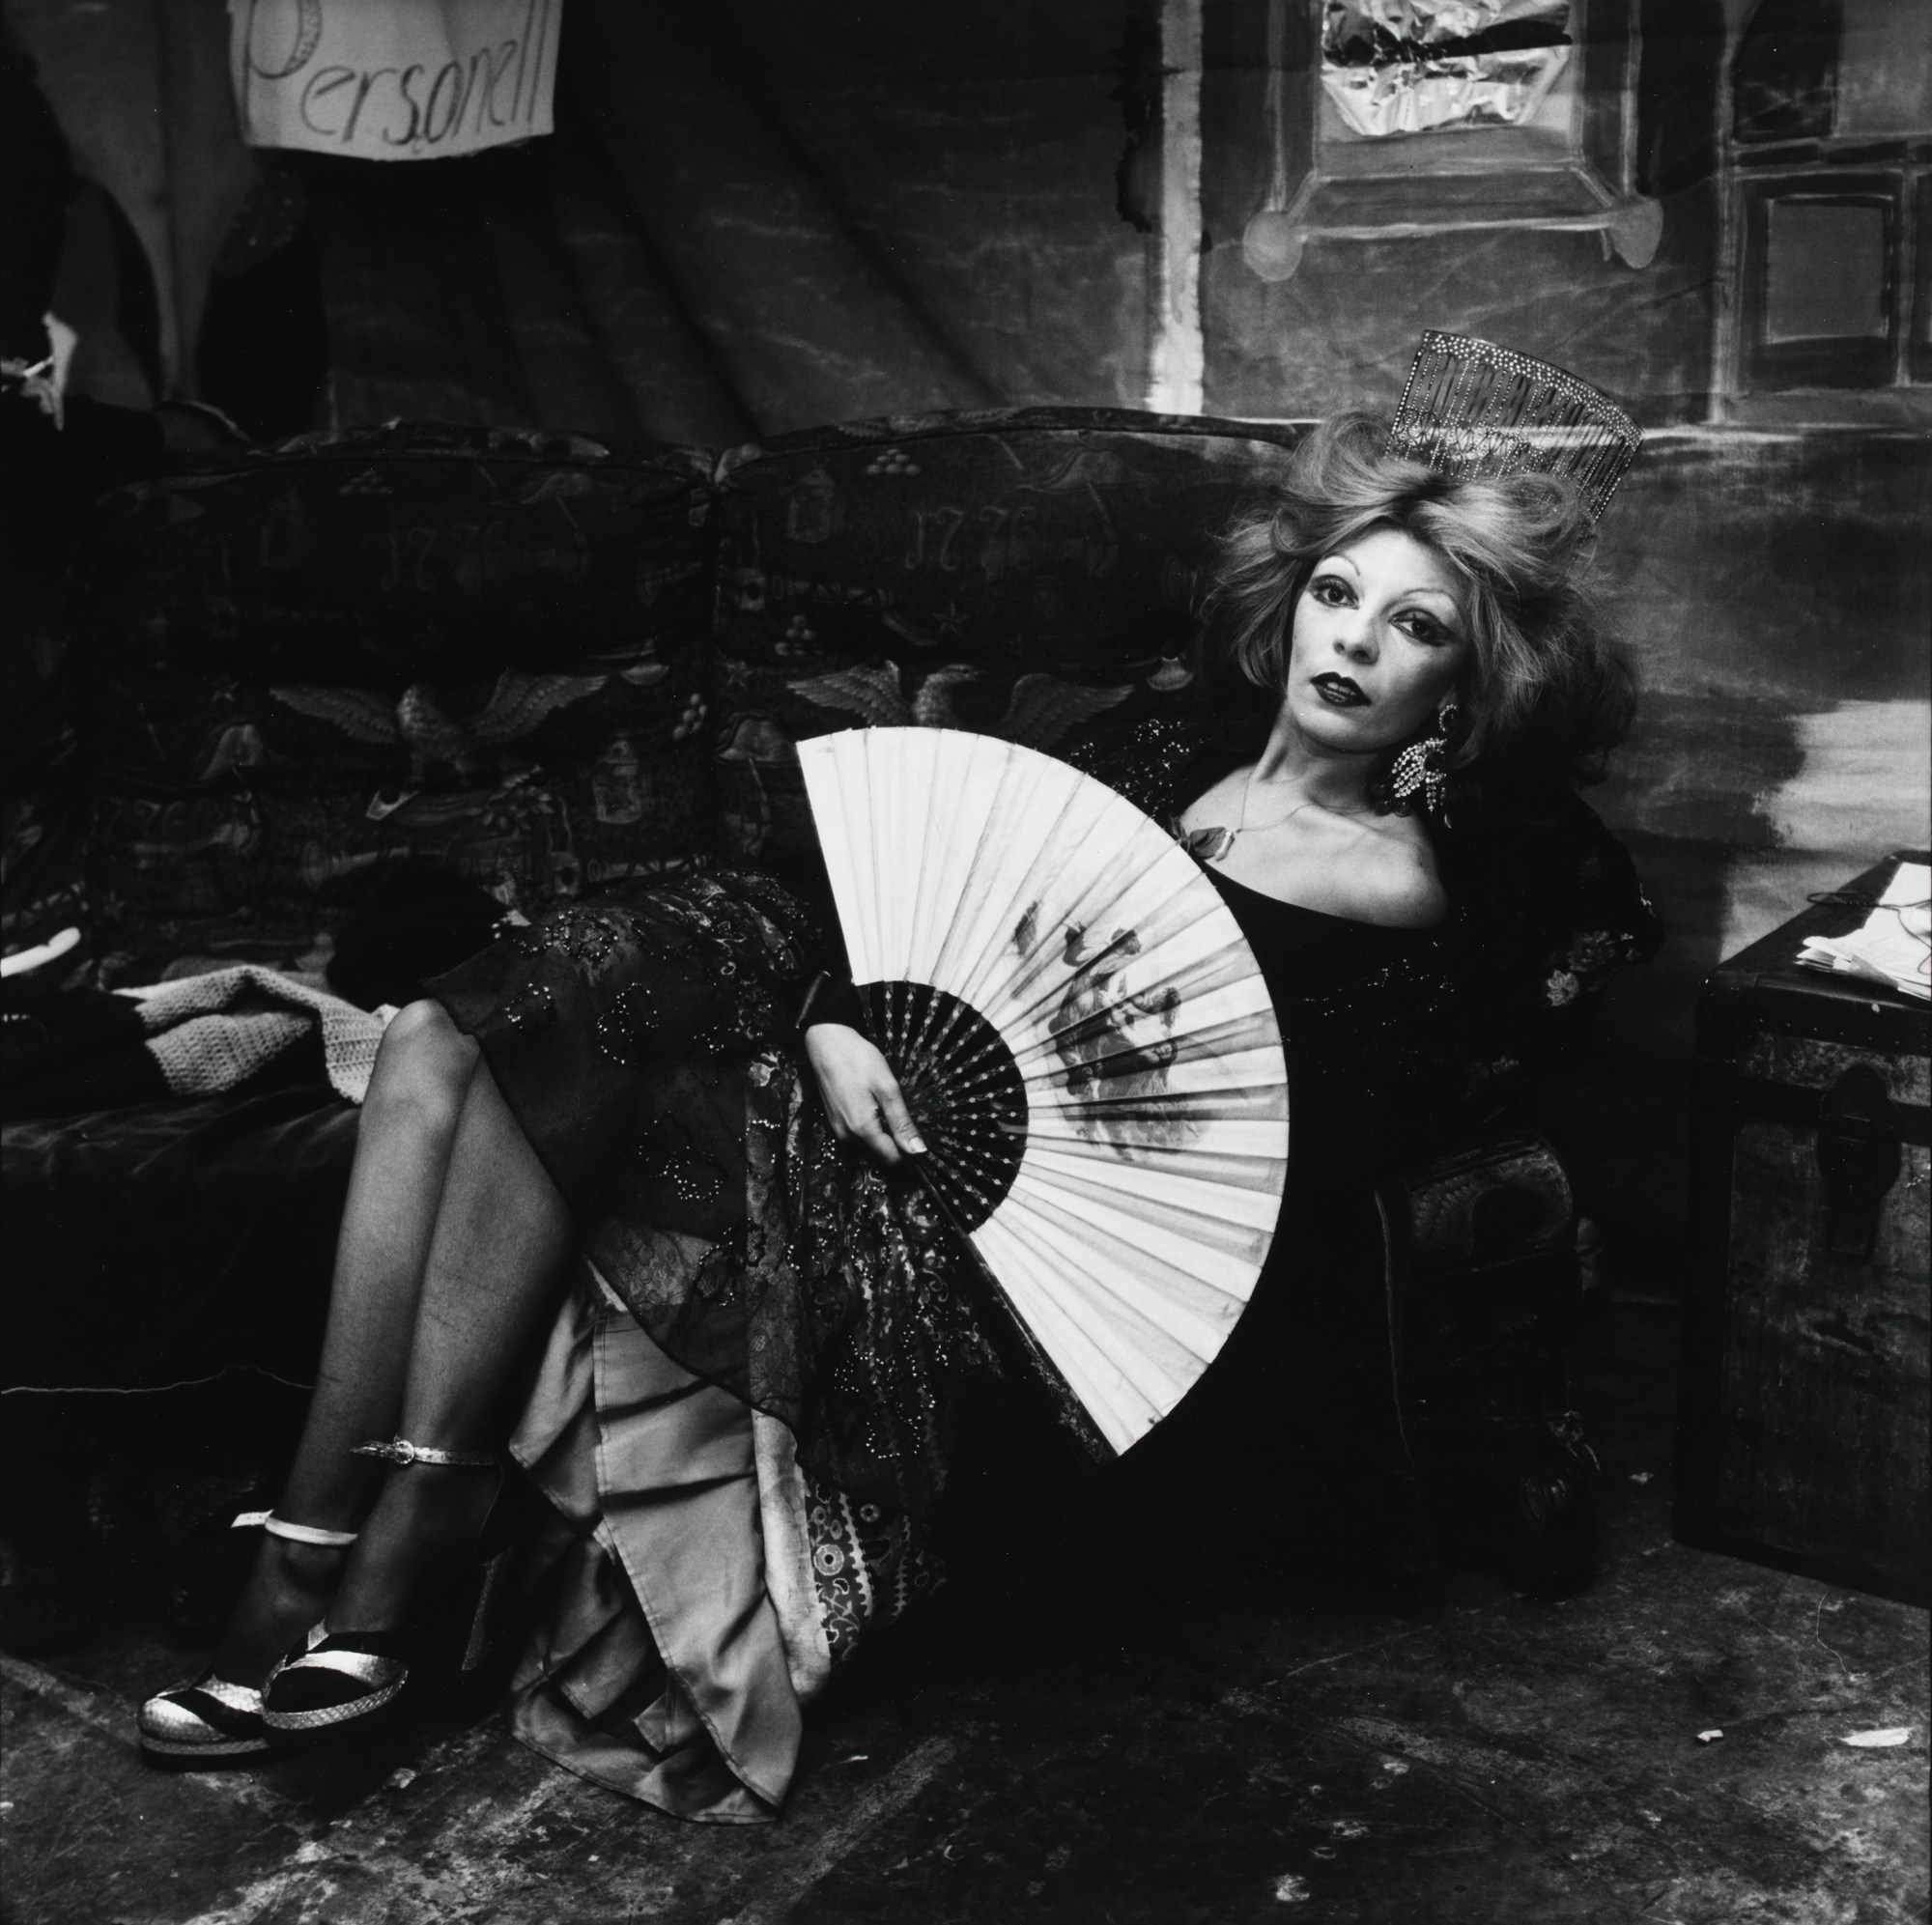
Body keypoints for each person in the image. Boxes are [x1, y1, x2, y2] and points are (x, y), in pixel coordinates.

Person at [139, 344, 1662, 1818]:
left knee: (541, 1055)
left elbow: (1215, 1159)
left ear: (1467, 682)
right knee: (436, 1033)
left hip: (958, 1243)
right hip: (845, 1071)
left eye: (1417, 627)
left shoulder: (1395, 888)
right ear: (1292, 592)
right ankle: (345, 1525)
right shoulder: (1158, 740)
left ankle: (345, 1554)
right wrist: (833, 1018)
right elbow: (910, 898)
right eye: (1340, 592)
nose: (1353, 645)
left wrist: (893, 1093)